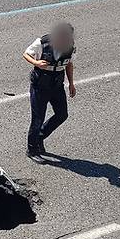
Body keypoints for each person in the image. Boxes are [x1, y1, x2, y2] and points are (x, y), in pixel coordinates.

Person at [23, 22, 77, 164]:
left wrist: (71, 83)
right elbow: (26, 54)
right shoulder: (42, 43)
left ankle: (40, 137)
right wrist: (36, 63)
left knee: (62, 114)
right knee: (37, 119)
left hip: (57, 85)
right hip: (40, 85)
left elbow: (69, 64)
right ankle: (32, 150)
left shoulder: (70, 46)